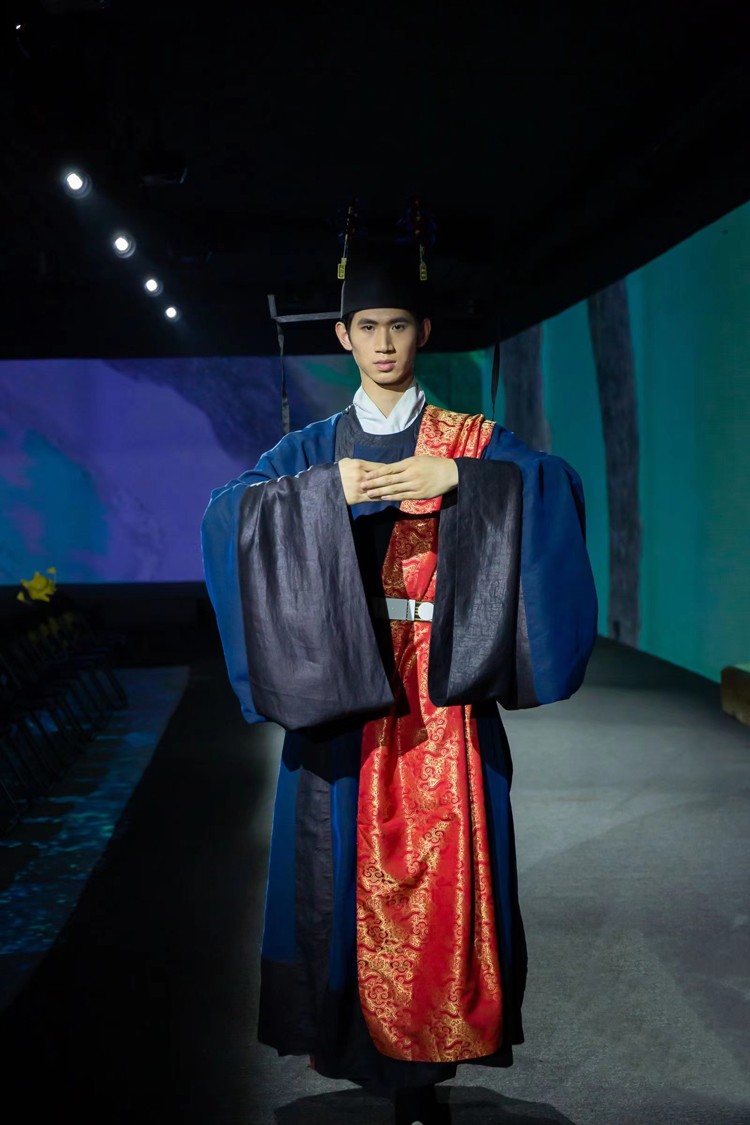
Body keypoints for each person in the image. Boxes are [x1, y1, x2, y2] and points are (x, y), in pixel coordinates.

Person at [201, 247, 598, 1125]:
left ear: (423, 333)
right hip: (341, 687)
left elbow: (556, 486)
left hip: (442, 694)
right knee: (338, 875)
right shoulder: (309, 449)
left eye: (400, 327)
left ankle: (425, 1074)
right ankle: (360, 1051)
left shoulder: (473, 441)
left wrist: (462, 479)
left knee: (447, 883)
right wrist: (322, 493)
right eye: (368, 328)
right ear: (345, 337)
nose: (384, 344)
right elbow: (227, 514)